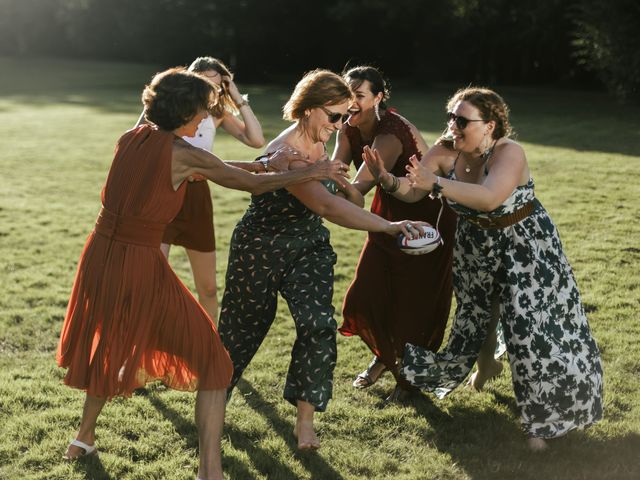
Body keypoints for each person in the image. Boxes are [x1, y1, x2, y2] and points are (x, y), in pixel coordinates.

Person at [56, 67, 350, 480]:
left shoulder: (131, 138)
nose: (203, 121)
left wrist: (264, 165)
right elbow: (247, 184)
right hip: (140, 263)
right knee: (215, 364)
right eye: (201, 113)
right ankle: (209, 473)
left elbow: (216, 165)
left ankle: (82, 437)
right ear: (184, 112)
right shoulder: (183, 154)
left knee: (114, 341)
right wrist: (309, 172)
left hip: (101, 259)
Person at [364, 86, 603, 450]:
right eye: (451, 118)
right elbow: (413, 190)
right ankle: (486, 366)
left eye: (462, 120)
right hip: (476, 245)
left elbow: (491, 198)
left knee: (529, 328)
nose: (453, 126)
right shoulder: (446, 150)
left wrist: (437, 184)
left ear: (490, 125)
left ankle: (538, 424)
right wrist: (386, 179)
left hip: (527, 246)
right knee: (476, 316)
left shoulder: (510, 153)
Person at [217, 69, 427, 450]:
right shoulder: (288, 151)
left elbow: (348, 200)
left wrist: (347, 184)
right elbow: (325, 205)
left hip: (308, 247)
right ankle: (214, 405)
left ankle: (305, 423)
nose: (341, 124)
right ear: (310, 109)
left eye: (345, 116)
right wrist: (390, 226)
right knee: (239, 334)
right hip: (261, 246)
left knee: (317, 326)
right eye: (334, 116)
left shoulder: (320, 143)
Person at [332, 66, 456, 401]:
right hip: (387, 214)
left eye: (359, 95)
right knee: (368, 291)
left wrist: (329, 185)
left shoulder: (388, 135)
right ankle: (385, 357)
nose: (351, 102)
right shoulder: (348, 128)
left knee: (413, 302)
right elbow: (337, 176)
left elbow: (354, 191)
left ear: (378, 97)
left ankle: (407, 380)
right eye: (347, 95)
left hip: (425, 219)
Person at [138, 56, 265, 323]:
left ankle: (210, 349)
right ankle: (148, 343)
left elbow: (256, 140)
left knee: (208, 286)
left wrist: (237, 97)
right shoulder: (171, 113)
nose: (211, 91)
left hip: (197, 197)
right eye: (204, 83)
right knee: (152, 280)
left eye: (217, 86)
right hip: (164, 194)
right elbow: (139, 133)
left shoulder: (217, 114)